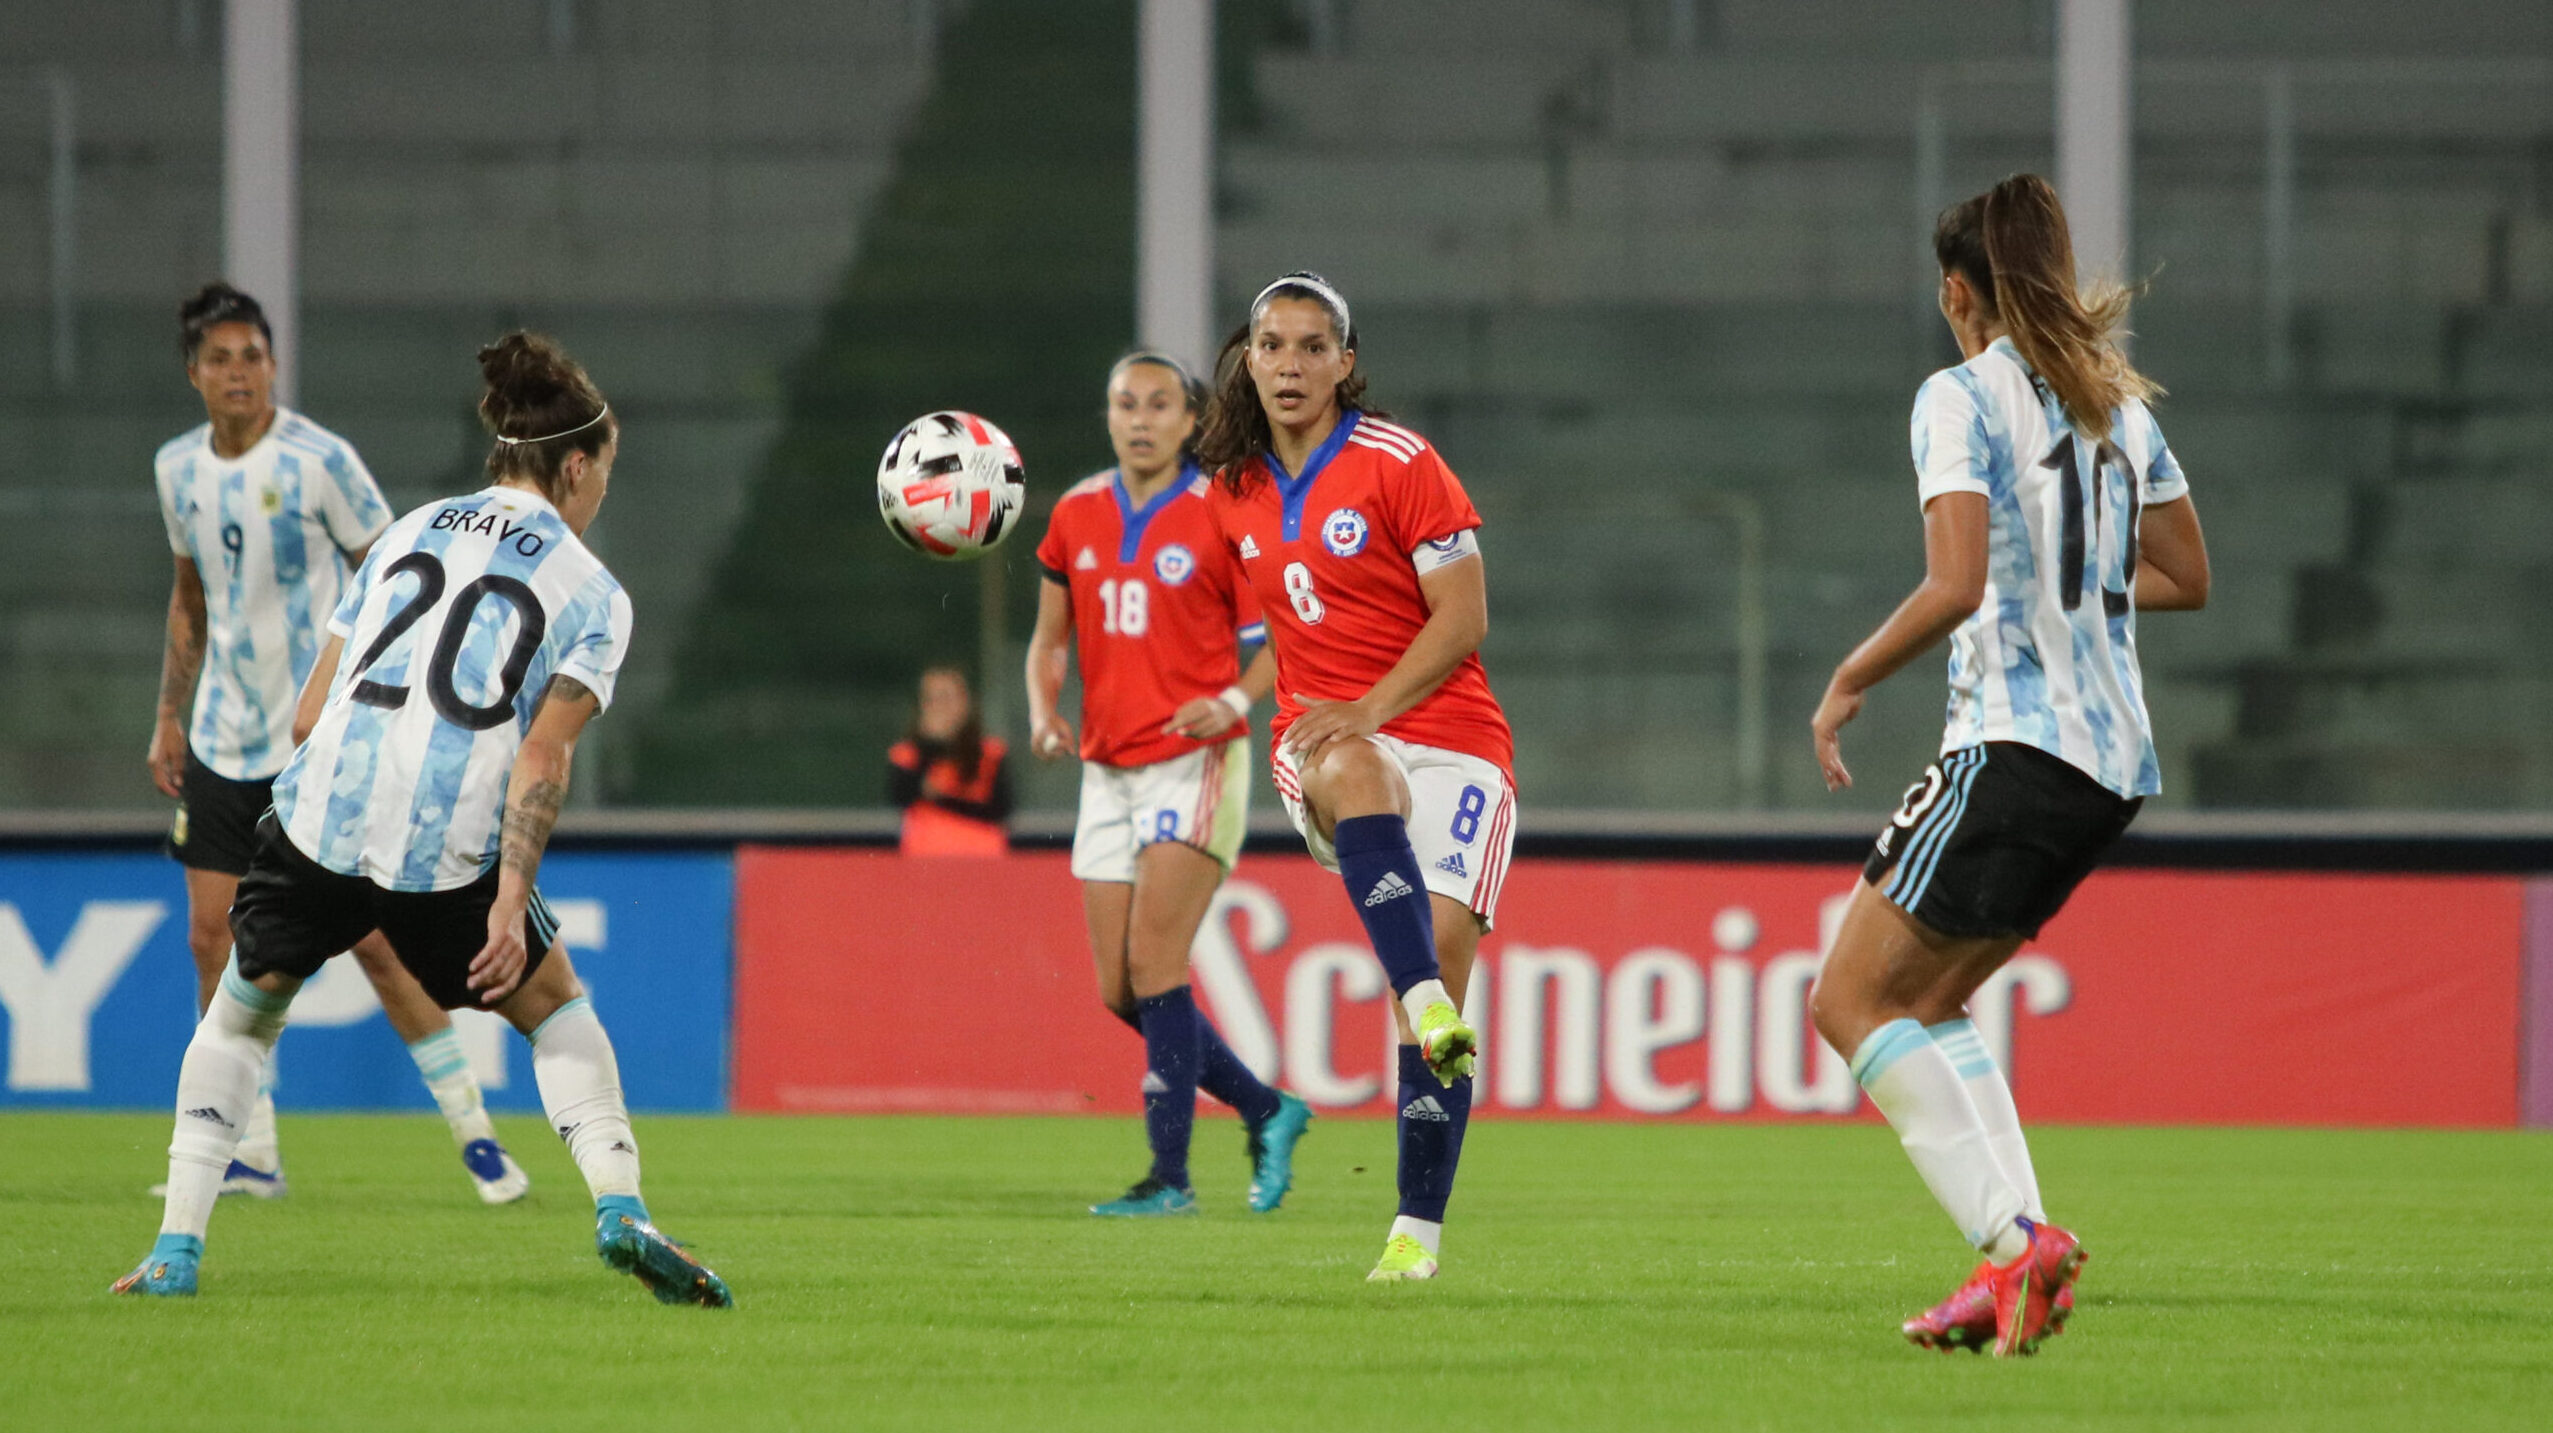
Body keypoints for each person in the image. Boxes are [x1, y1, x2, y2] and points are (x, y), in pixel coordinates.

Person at [115, 332, 732, 1307]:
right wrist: (510, 896)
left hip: (319, 816)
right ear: (576, 464)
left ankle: (175, 1251)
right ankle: (623, 1207)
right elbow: (543, 753)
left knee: (241, 1012)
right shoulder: (594, 591)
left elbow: (310, 713)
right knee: (559, 1009)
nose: (601, 489)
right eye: (604, 470)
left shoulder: (407, 531)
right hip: (446, 846)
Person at [1806, 174, 2210, 1356]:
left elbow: (1956, 580)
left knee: (1846, 1000)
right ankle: (2016, 1263)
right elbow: (2188, 575)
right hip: (2113, 762)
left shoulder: (1959, 395)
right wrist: (2073, 582)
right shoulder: (2120, 405)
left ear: (1957, 293)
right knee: (1931, 999)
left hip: (2018, 738)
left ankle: (2011, 1242)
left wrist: (1849, 677)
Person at [148, 282, 527, 1205]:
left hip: (316, 745)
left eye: (253, 354)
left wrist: (381, 703)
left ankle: (477, 1138)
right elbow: (191, 597)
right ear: (194, 373)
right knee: (214, 940)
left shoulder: (321, 462)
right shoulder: (176, 470)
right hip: (220, 740)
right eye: (222, 358)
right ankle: (251, 1151)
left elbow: (397, 578)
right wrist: (168, 714)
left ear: (273, 363)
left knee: (373, 945)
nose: (240, 372)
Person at [1197, 272, 1515, 1282]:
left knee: (1448, 951)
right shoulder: (1230, 484)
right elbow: (1230, 615)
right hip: (1329, 739)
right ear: (1249, 358)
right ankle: (1421, 996)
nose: (1289, 364)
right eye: (1272, 345)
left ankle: (1414, 1238)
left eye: (1310, 346)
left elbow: (1463, 617)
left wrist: (1375, 702)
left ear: (1346, 361)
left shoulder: (1400, 460)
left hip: (1458, 738)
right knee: (1353, 765)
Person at [1026, 350, 1313, 1218]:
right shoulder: (1076, 512)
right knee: (1122, 990)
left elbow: (1278, 643)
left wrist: (1229, 698)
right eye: (1124, 403)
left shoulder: (1222, 513)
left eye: (1159, 404)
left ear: (1191, 421)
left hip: (1195, 760)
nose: (1140, 418)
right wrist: (1043, 710)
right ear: (1107, 415)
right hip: (1106, 770)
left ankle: (1169, 1178)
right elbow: (1049, 640)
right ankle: (1267, 1108)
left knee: (1155, 964)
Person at [887, 666, 1014, 854]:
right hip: (925, 857)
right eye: (931, 699)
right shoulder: (908, 754)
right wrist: (932, 745)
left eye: (947, 698)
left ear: (965, 702)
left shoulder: (991, 753)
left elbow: (1000, 809)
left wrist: (939, 796)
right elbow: (900, 796)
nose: (940, 708)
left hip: (982, 857)